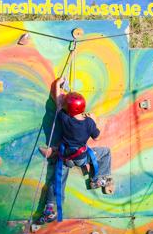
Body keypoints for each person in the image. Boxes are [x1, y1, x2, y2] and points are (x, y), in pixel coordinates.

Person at [38, 83, 113, 223]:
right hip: (82, 158)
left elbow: (58, 101)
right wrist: (94, 120)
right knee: (105, 152)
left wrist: (59, 82)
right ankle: (99, 179)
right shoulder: (89, 122)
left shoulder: (64, 118)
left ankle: (50, 208)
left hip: (65, 158)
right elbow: (97, 137)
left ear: (67, 108)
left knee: (57, 182)